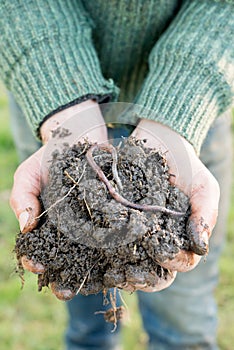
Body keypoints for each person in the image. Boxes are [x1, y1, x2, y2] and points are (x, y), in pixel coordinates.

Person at [1, 0, 233, 349]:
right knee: (76, 287)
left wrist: (180, 111)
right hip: (49, 94)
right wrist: (64, 112)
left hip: (189, 108)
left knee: (184, 323)